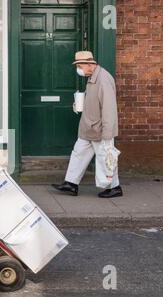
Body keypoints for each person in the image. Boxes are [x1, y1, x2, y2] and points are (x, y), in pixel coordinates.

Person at [52, 51, 123, 198]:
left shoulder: (103, 79)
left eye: (80, 65)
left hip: (99, 129)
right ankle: (70, 184)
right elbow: (94, 100)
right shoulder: (93, 77)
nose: (78, 69)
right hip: (88, 128)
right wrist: (81, 101)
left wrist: (107, 132)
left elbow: (109, 108)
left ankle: (114, 188)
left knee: (106, 158)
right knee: (78, 154)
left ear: (90, 64)